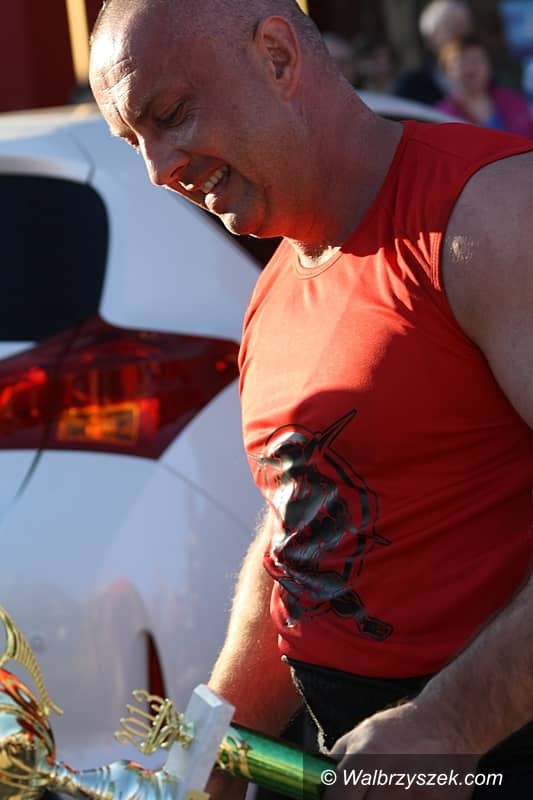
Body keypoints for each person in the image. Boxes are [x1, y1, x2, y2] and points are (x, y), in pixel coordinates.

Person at [88, 0, 533, 796]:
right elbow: (300, 536)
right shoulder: (275, 291)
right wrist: (212, 749)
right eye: (134, 142)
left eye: (171, 114)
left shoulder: (489, 212)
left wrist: (450, 724)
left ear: (277, 57)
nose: (157, 169)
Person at [436, 35, 533, 137]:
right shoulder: (440, 116)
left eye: (476, 60)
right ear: (446, 70)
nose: (471, 67)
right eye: (462, 61)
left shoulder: (513, 100)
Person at [395, 0, 473, 105]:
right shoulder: (410, 88)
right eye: (453, 26)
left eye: (465, 26)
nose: (462, 34)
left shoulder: (488, 83)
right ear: (430, 38)